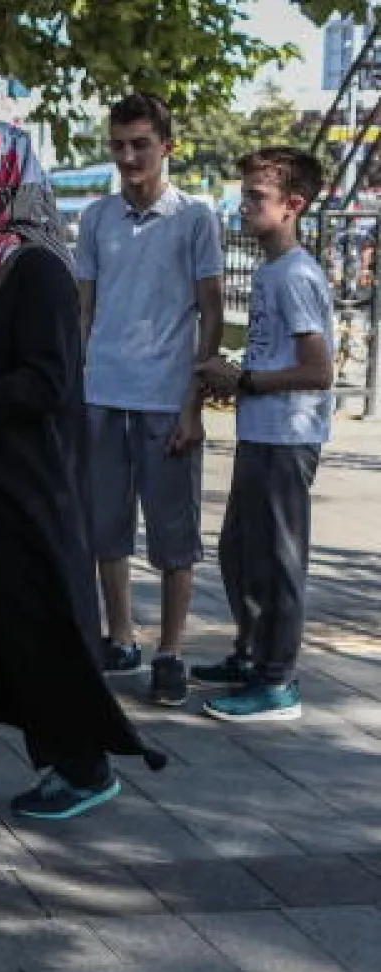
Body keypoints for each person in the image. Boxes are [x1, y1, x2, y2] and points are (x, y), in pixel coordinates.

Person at [0, 123, 168, 822]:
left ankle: (82, 766)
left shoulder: (35, 269)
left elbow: (47, 384)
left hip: (23, 491)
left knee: (39, 627)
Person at [77, 93, 225, 706]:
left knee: (172, 532)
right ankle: (121, 634)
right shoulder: (96, 217)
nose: (129, 156)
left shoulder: (195, 216)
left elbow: (212, 313)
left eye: (141, 143)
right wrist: (74, 383)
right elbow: (83, 306)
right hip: (102, 394)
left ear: (167, 145)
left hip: (166, 397)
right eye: (119, 144)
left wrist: (193, 402)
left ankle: (171, 650)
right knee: (105, 526)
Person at [194, 148, 334, 723]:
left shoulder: (297, 274)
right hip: (262, 431)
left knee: (276, 560)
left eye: (256, 197)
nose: (243, 205)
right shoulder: (274, 270)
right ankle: (252, 656)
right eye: (244, 193)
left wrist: (244, 378)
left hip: (285, 437)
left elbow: (319, 369)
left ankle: (278, 683)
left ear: (293, 205)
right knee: (240, 553)